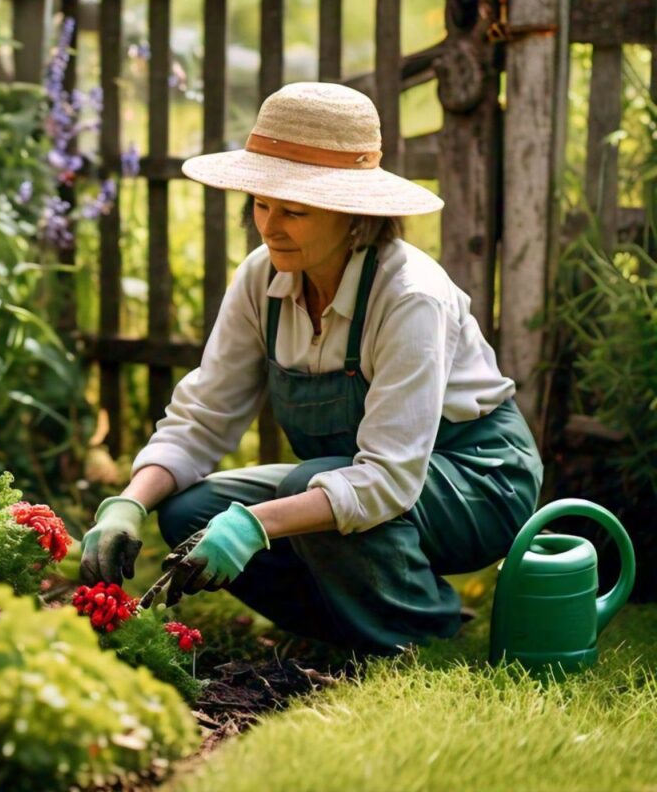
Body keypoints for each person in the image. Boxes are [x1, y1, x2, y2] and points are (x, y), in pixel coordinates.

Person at [79, 81, 544, 656]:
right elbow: (204, 418)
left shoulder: (409, 296)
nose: (269, 227)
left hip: (476, 480)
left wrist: (256, 526)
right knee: (190, 510)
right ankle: (342, 627)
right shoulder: (262, 279)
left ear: (353, 216)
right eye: (261, 205)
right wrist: (129, 501)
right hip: (368, 472)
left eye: (294, 211)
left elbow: (389, 479)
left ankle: (423, 631)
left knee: (309, 491)